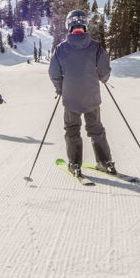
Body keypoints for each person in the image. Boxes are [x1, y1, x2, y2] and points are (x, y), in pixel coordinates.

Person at [48, 9, 116, 177]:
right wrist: (103, 78)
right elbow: (104, 71)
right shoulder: (96, 47)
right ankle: (105, 162)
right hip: (92, 97)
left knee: (72, 129)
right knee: (96, 128)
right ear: (85, 25)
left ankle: (75, 165)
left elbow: (54, 73)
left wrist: (60, 88)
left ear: (68, 25)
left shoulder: (61, 49)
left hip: (70, 98)